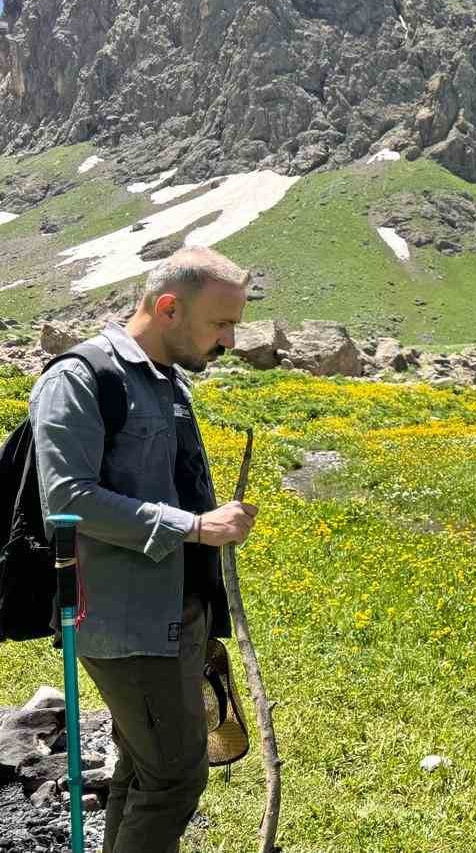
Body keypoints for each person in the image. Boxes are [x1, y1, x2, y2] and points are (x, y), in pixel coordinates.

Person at [28, 248, 259, 853]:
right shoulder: (80, 378)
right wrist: (195, 526)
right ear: (167, 308)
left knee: (142, 767)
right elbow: (69, 501)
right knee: (176, 775)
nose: (230, 341)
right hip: (125, 623)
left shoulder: (163, 380)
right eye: (220, 324)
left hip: (174, 613)